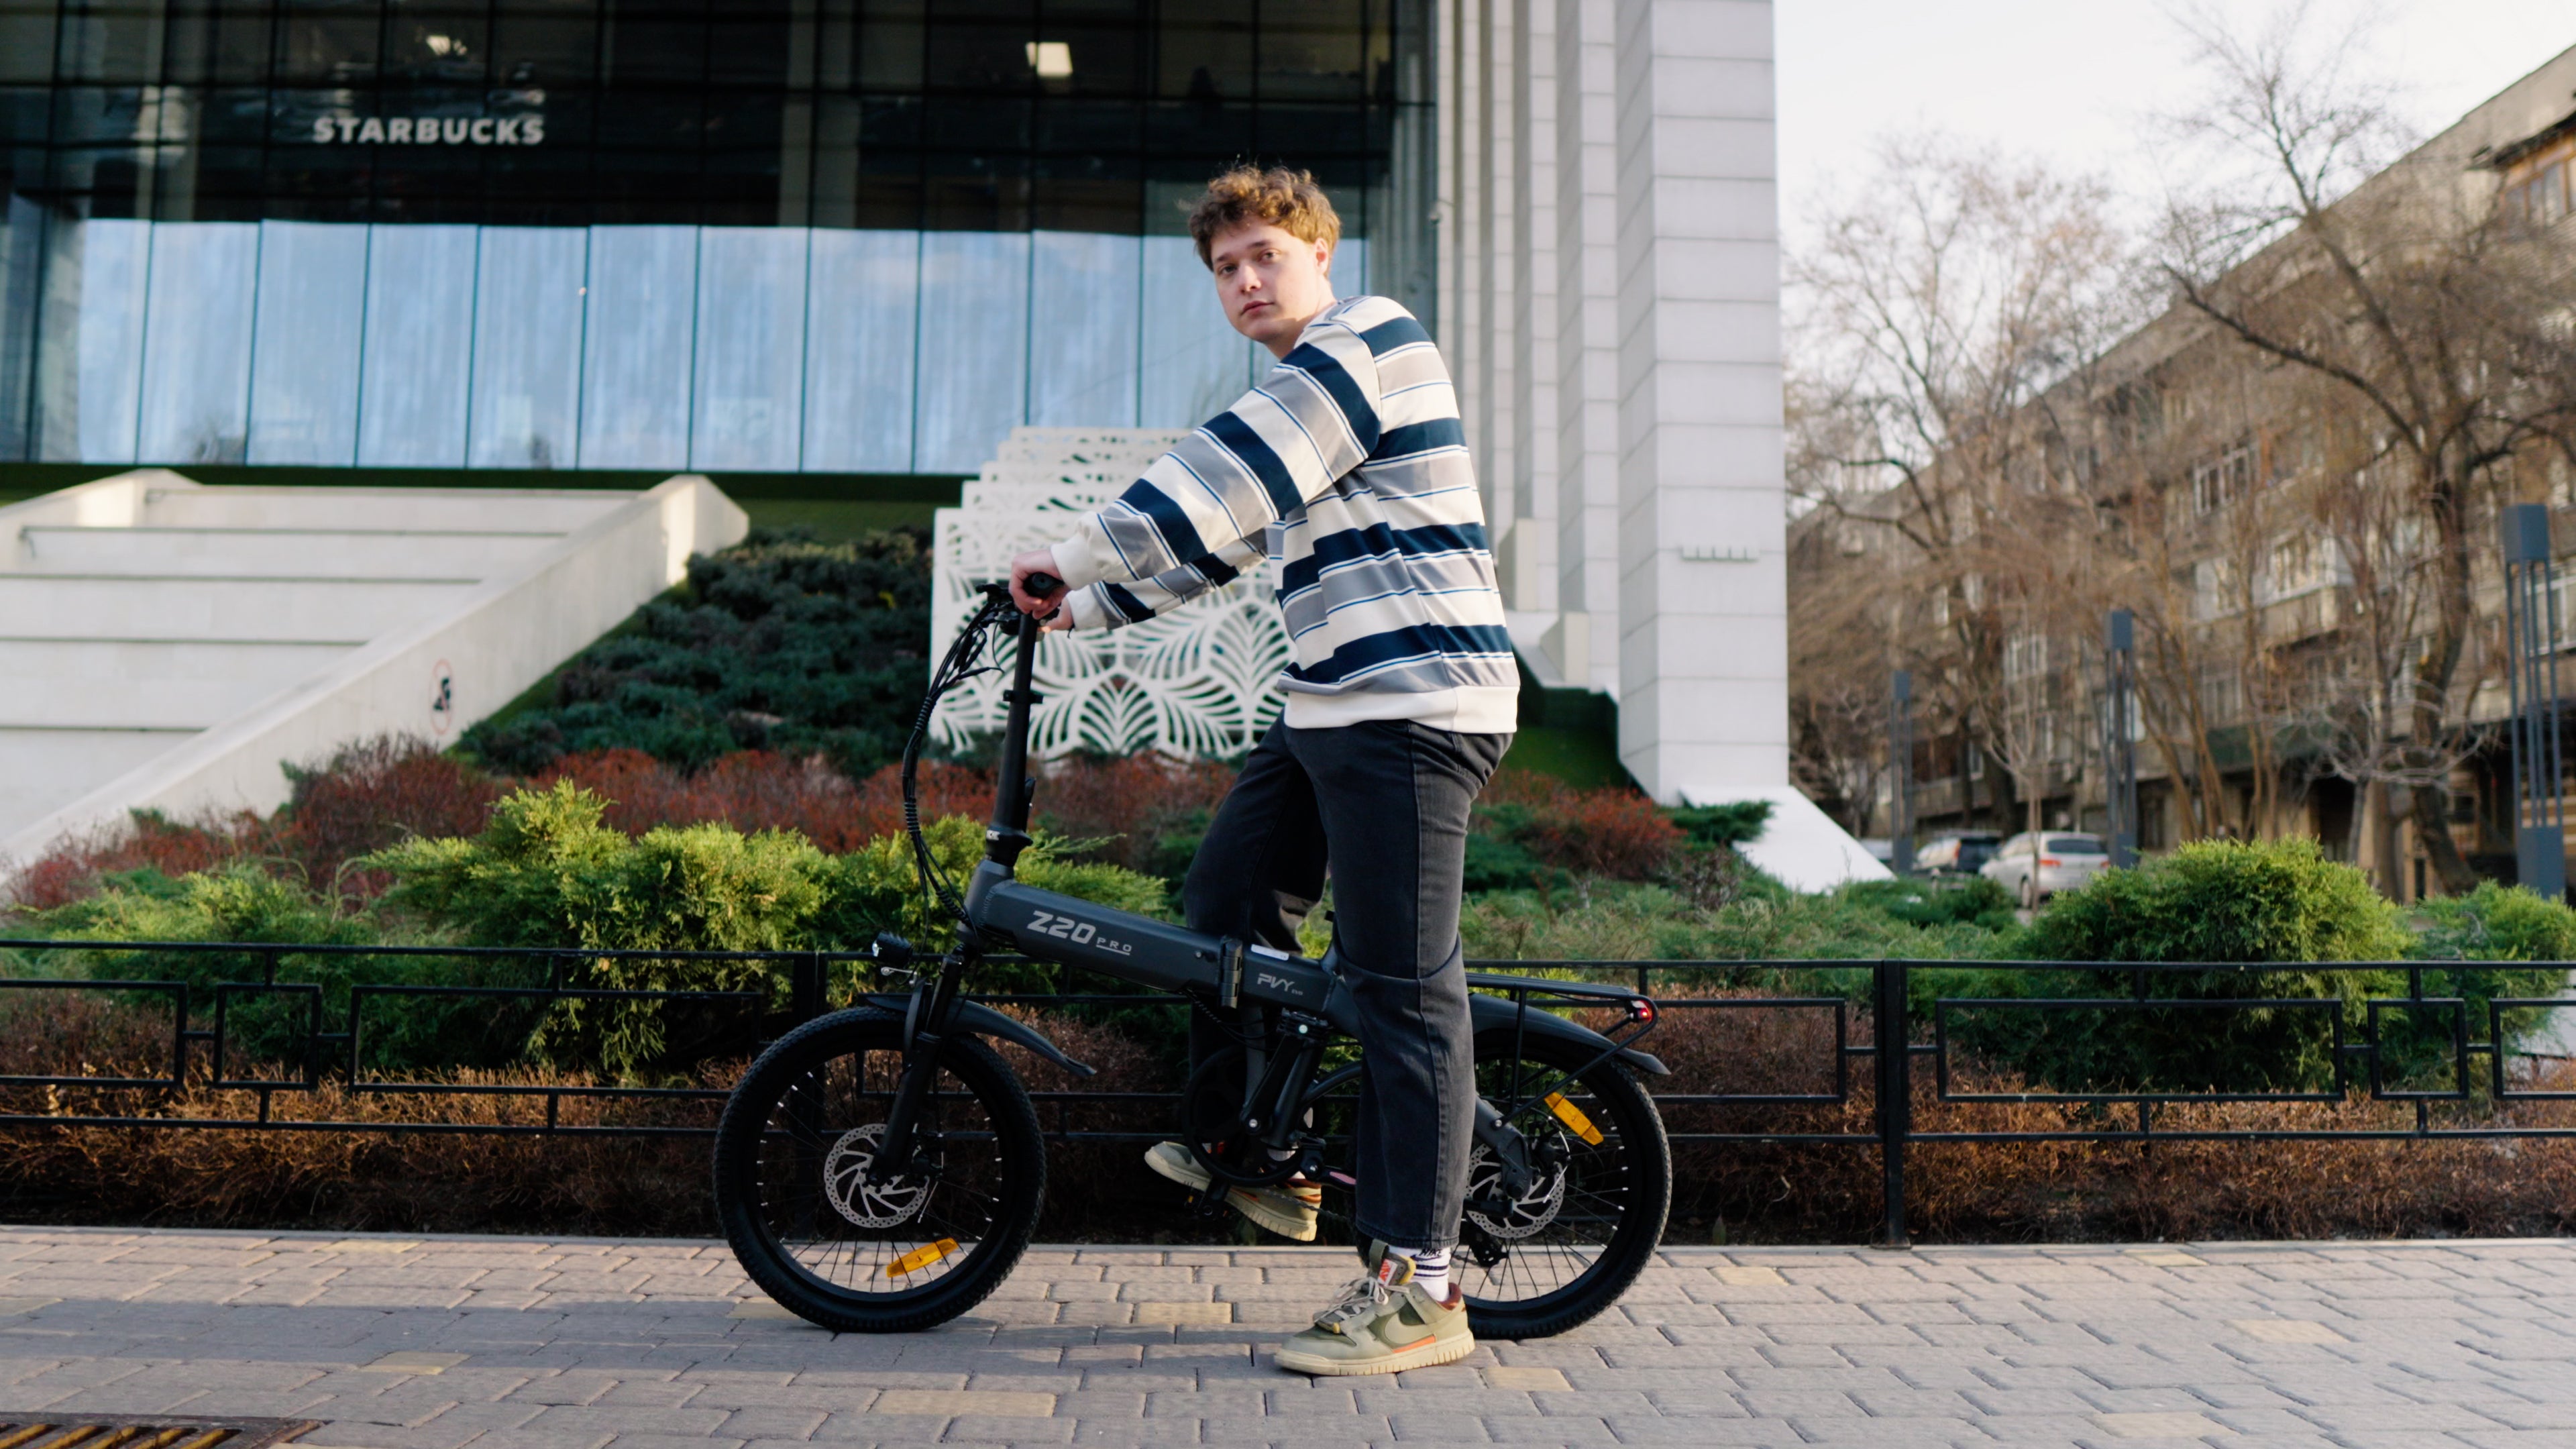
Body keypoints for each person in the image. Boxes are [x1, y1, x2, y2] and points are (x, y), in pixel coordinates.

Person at [1006, 166, 1515, 1376]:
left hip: (1413, 706)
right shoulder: (1301, 403)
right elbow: (1219, 540)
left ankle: (1426, 1287)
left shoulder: (1368, 343)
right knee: (1227, 903)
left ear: (1320, 254)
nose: (1243, 281)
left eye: (1263, 257)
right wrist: (1075, 607)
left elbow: (1225, 476)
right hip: (1332, 707)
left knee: (1401, 992)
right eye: (1224, 267)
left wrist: (1075, 546)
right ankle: (1264, 1151)